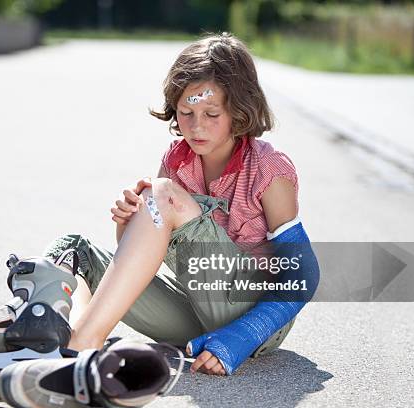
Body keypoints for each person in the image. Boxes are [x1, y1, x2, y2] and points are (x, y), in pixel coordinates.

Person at [43, 32, 319, 376]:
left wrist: (240, 337)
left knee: (161, 194)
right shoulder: (176, 161)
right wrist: (130, 219)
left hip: (255, 321)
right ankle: (61, 338)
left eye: (211, 113)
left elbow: (303, 277)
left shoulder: (270, 169)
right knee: (76, 254)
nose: (196, 126)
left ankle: (81, 347)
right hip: (195, 305)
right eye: (186, 111)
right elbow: (143, 257)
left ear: (239, 109)